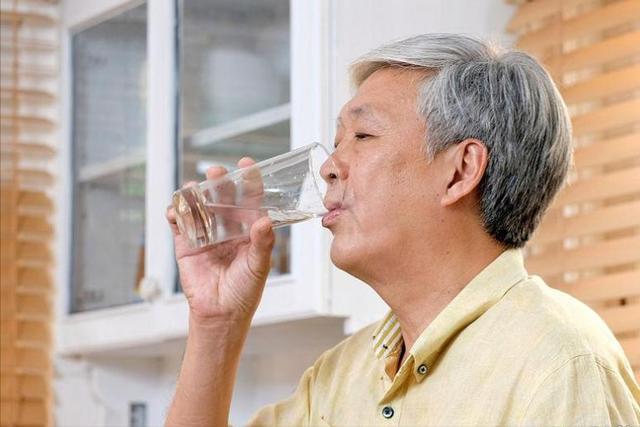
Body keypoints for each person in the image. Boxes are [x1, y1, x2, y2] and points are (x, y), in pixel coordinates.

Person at [165, 34, 639, 426]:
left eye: (362, 136)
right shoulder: (340, 377)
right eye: (336, 142)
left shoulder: (560, 364)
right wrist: (216, 323)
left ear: (460, 170)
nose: (329, 167)